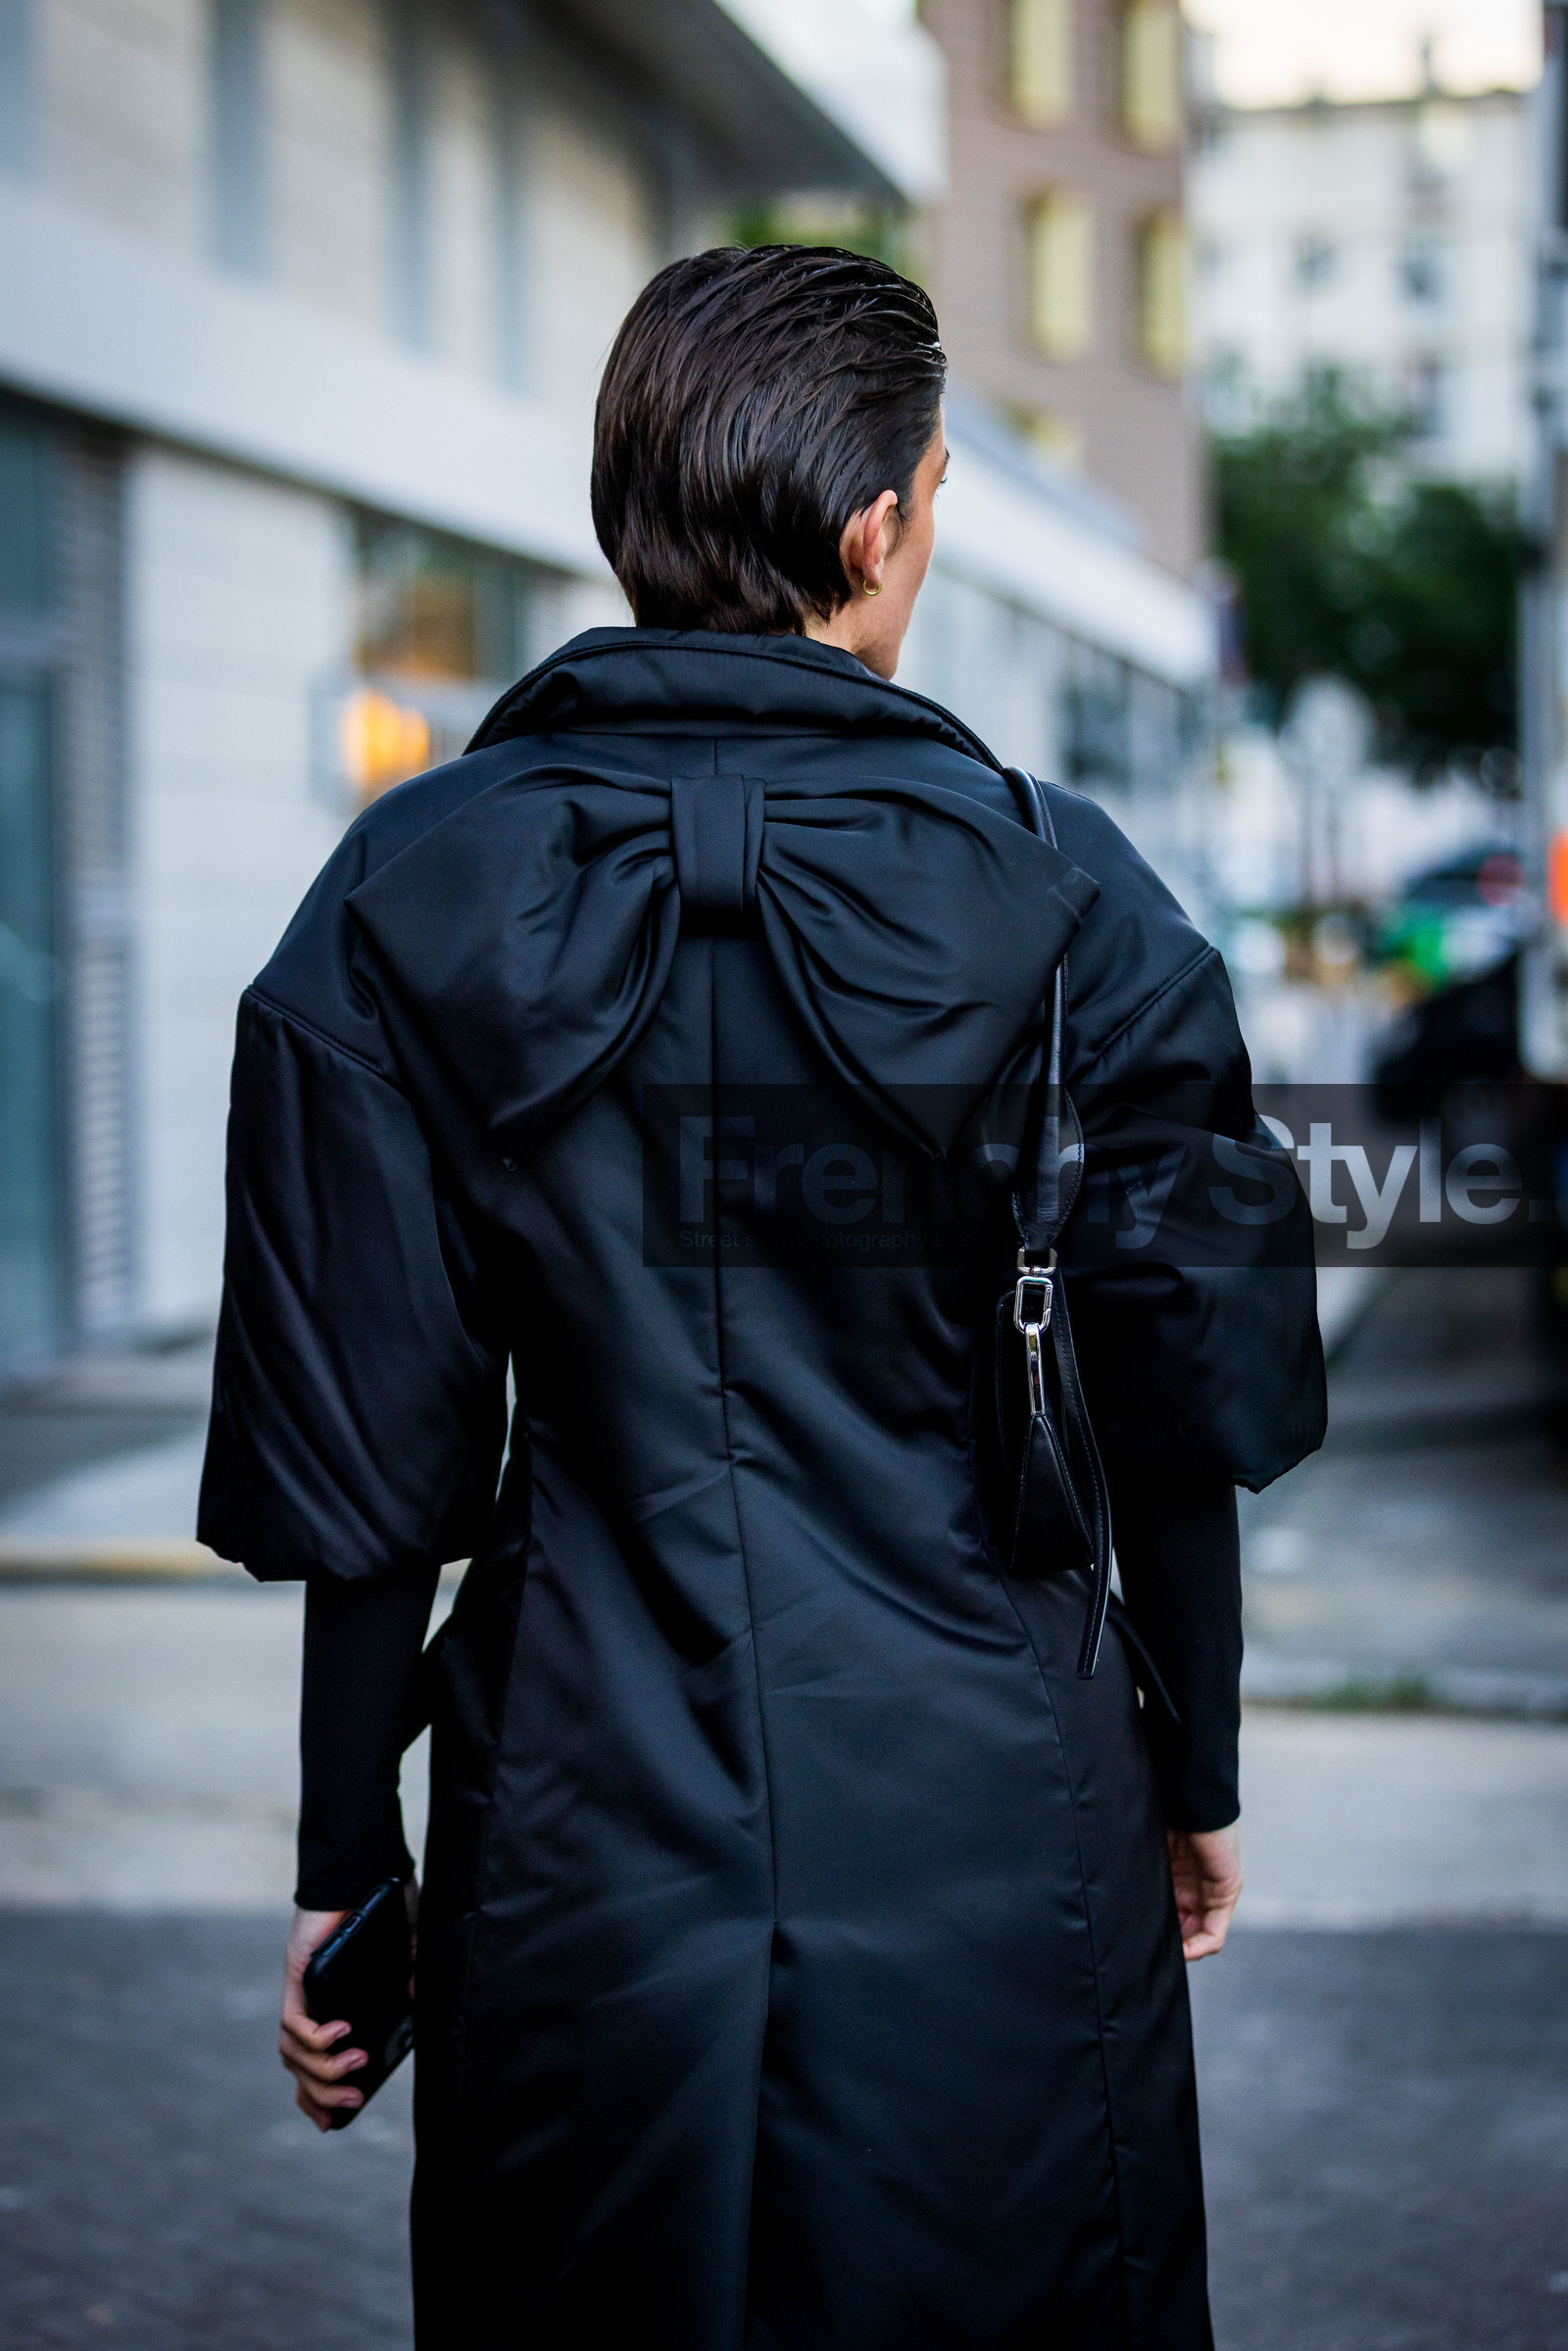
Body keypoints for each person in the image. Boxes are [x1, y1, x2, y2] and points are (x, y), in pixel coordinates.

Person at [198, 246, 1324, 2349]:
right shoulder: (1076, 894)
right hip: (1000, 1823)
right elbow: (1191, 1396)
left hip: (573, 1833)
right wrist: (1202, 1770)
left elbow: (365, 1461)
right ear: (879, 527)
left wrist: (344, 1866)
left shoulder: (402, 890)